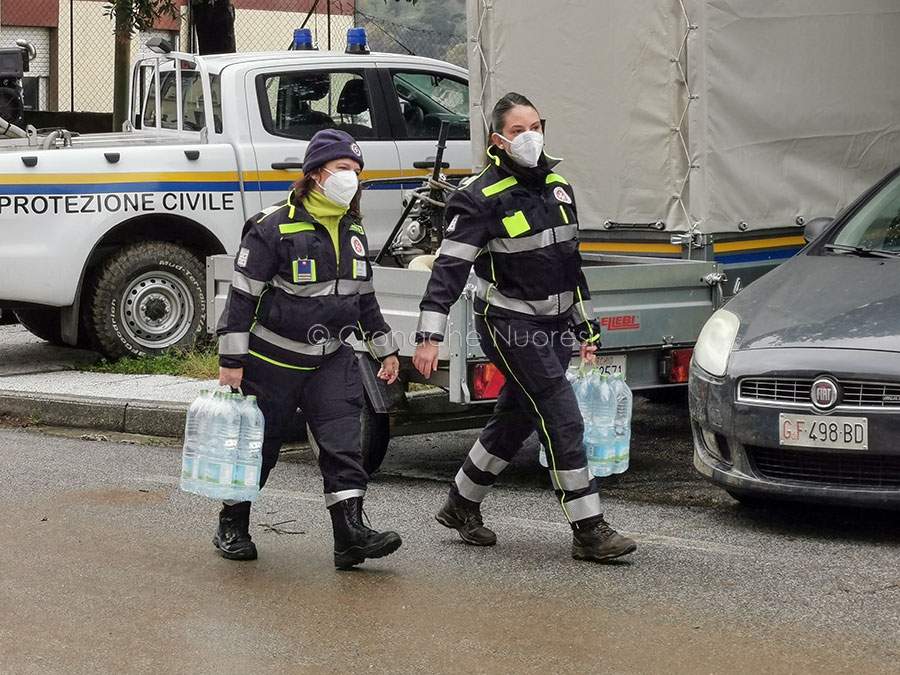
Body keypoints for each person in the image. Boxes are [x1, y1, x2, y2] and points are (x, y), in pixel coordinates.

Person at [412, 93, 636, 563]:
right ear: (498, 139)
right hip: (509, 323)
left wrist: (586, 329)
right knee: (561, 416)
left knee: (515, 418)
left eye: (536, 125)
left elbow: (570, 266)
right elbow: (447, 272)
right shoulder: (477, 199)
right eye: (519, 130)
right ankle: (589, 529)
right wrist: (429, 336)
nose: (531, 136)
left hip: (554, 326)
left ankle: (460, 503)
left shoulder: (558, 188)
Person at [216, 129, 403, 569]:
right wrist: (231, 362)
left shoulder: (353, 229)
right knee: (259, 449)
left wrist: (385, 349)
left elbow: (364, 299)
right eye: (343, 170)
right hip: (272, 361)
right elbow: (241, 298)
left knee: (344, 446)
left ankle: (351, 535)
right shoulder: (271, 227)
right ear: (317, 174)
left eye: (356, 172)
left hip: (333, 360)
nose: (351, 180)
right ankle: (232, 524)